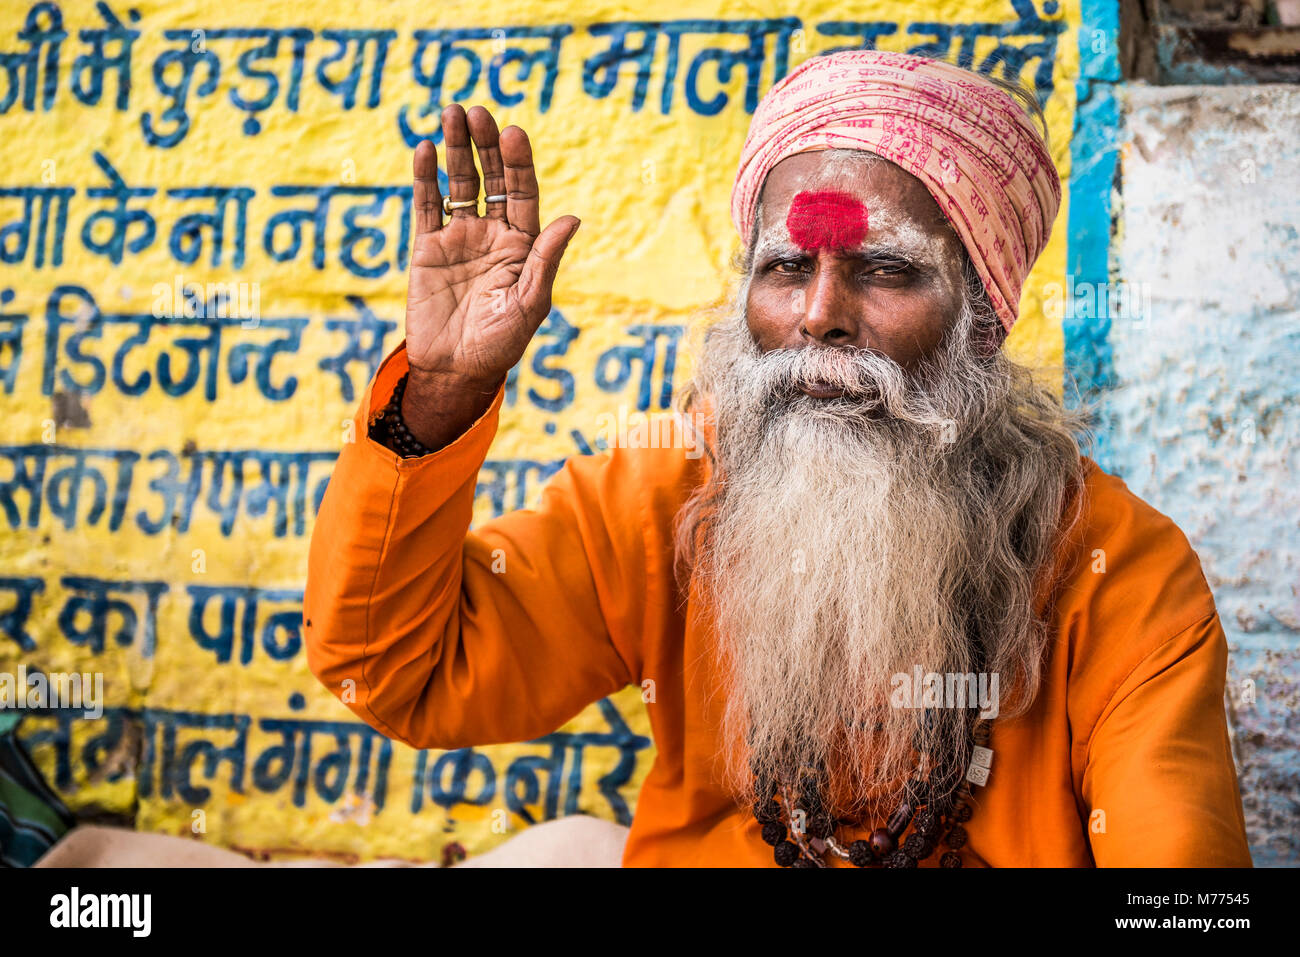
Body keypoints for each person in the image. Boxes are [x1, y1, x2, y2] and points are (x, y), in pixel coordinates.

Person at [303, 49, 1253, 867]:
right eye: (787, 268)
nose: (818, 315)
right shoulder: (668, 492)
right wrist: (441, 393)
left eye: (885, 270)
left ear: (984, 322)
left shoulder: (1121, 576)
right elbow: (398, 670)